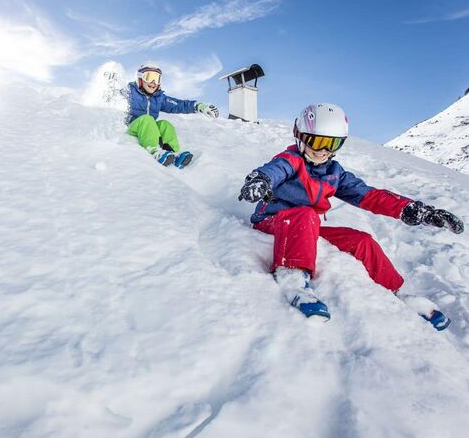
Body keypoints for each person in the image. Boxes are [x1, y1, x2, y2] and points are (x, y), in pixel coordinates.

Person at [238, 103, 464, 328]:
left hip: (307, 227)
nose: (323, 150)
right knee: (307, 215)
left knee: (361, 240)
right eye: (317, 141)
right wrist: (260, 180)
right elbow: (274, 170)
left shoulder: (335, 173)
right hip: (273, 223)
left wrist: (416, 210)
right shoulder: (291, 160)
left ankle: (401, 293)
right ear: (300, 136)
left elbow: (371, 196)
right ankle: (293, 279)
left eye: (332, 143)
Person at [124, 63, 219, 168]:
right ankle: (155, 151)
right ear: (140, 78)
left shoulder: (159, 97)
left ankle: (174, 154)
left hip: (148, 128)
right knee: (147, 119)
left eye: (157, 78)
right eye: (150, 77)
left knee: (165, 125)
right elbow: (112, 97)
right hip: (131, 127)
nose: (153, 82)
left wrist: (198, 106)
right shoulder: (130, 91)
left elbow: (177, 105)